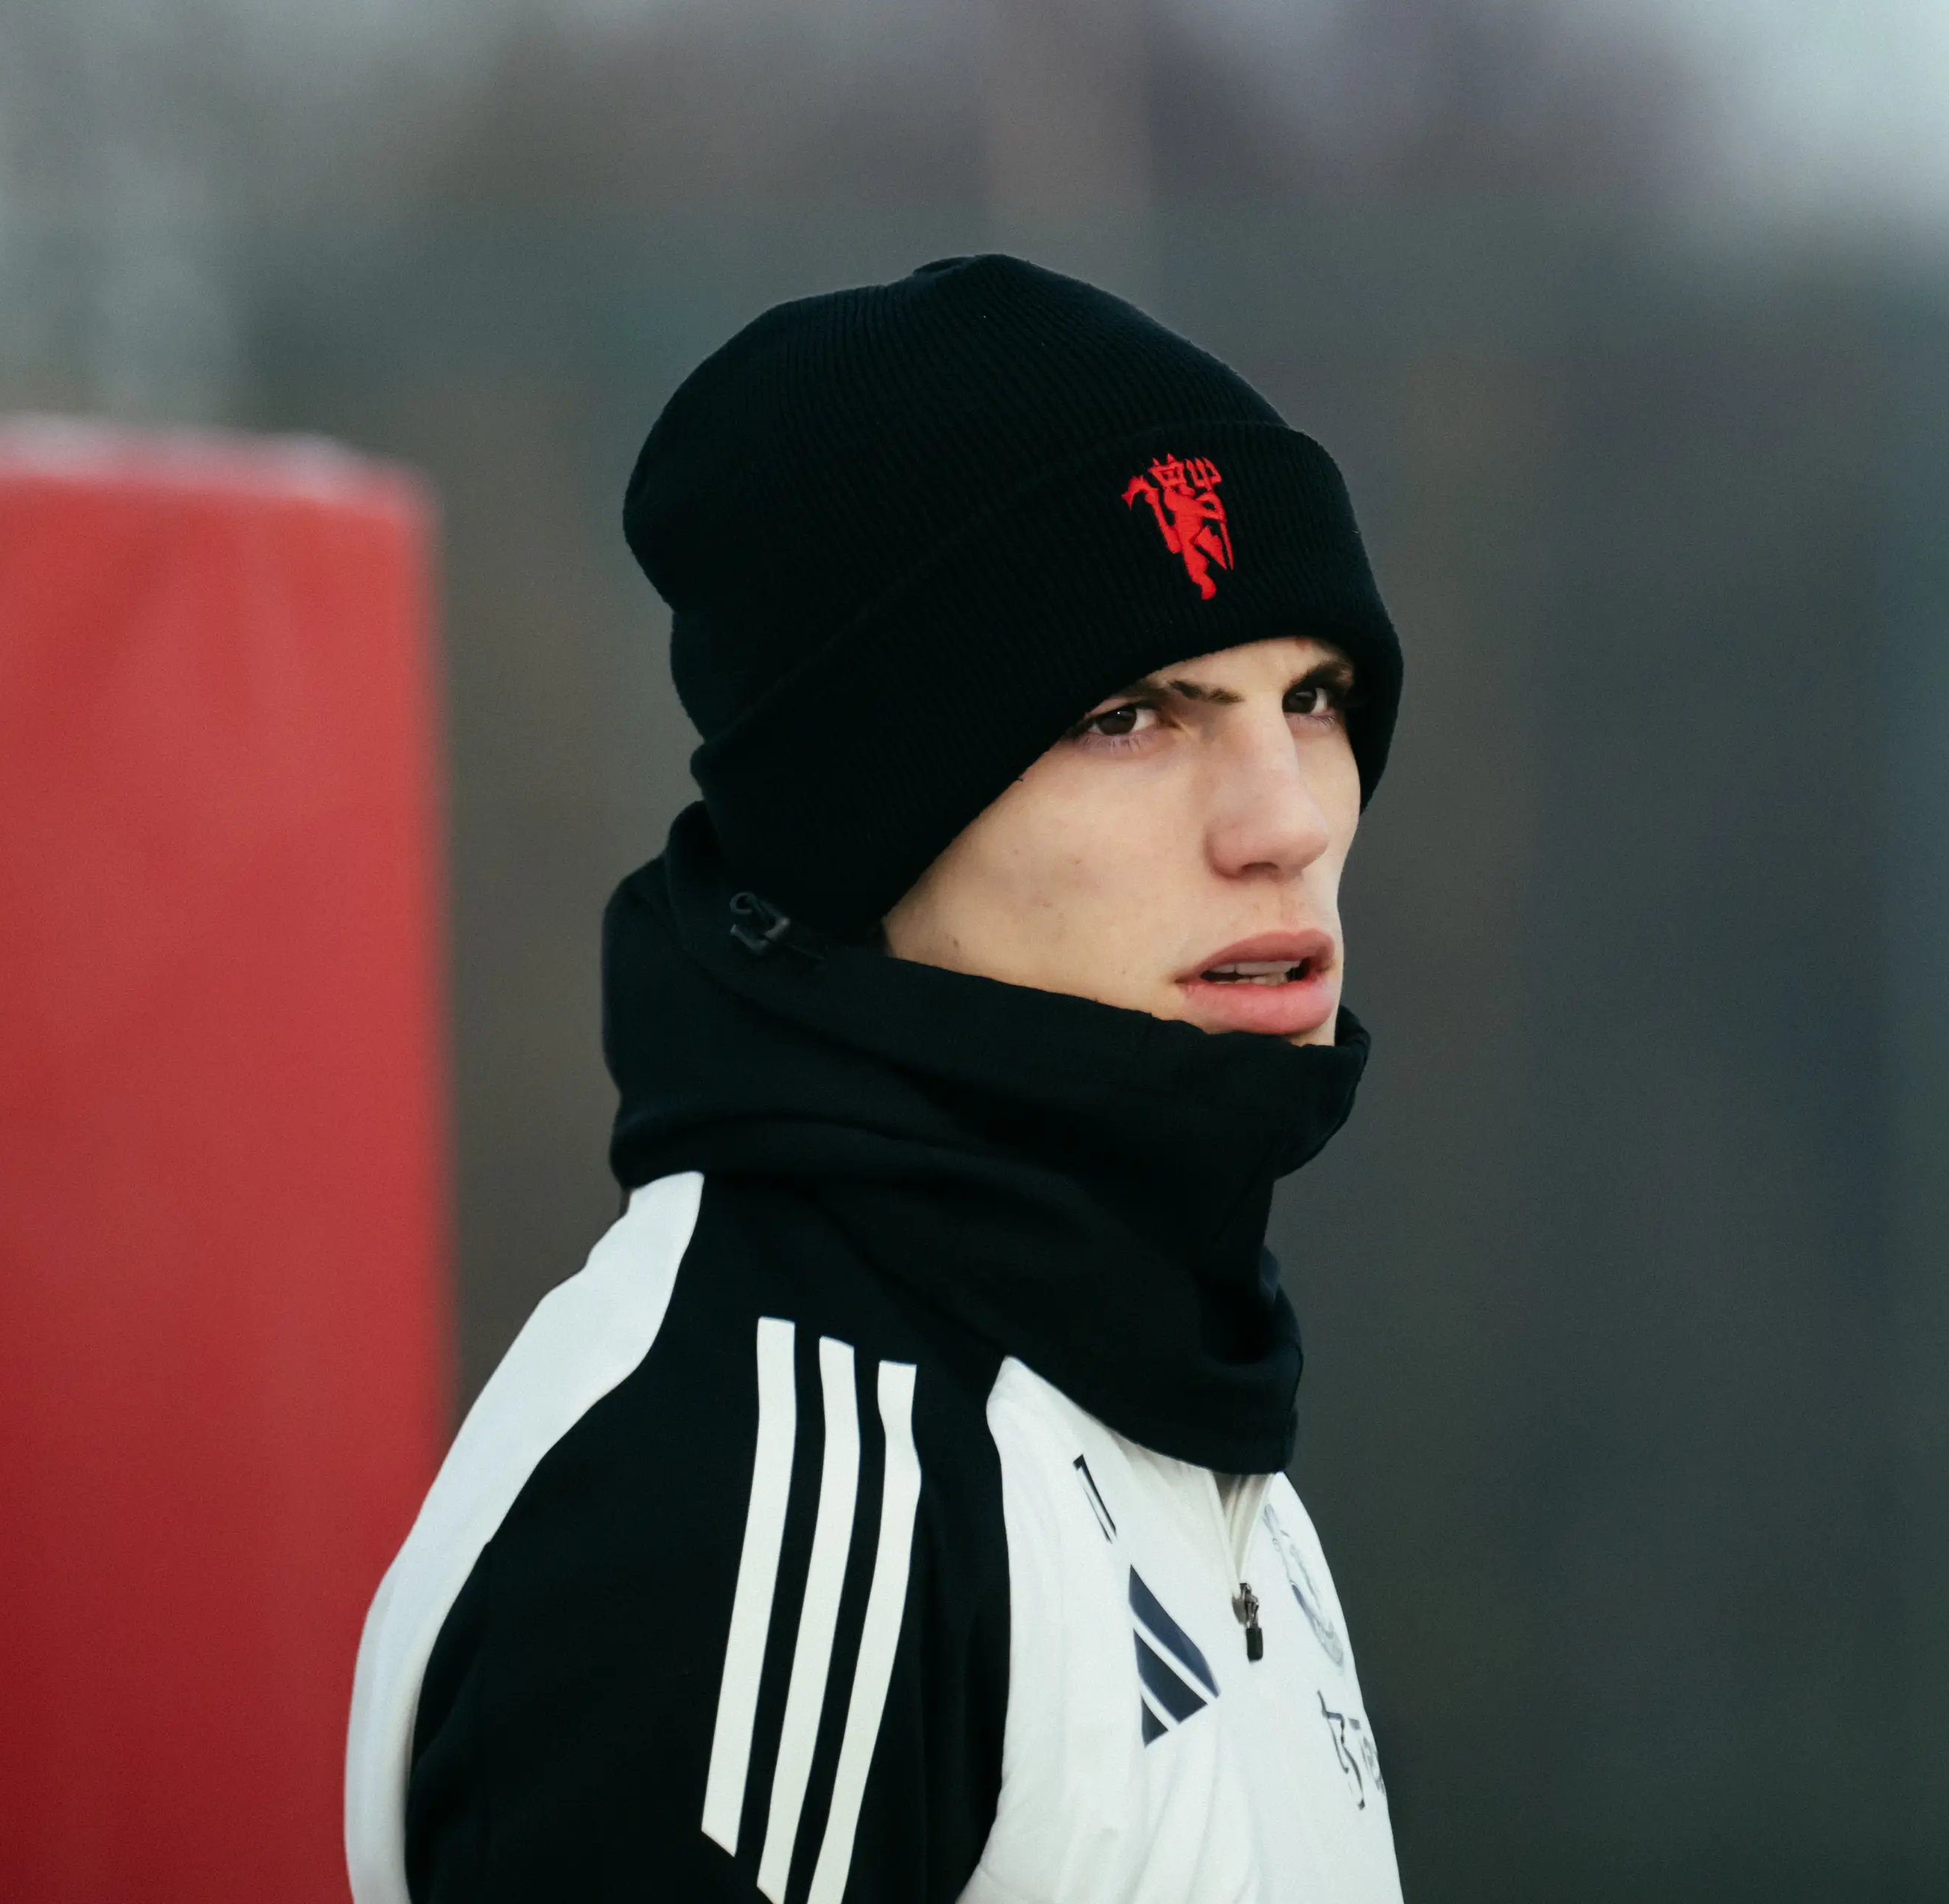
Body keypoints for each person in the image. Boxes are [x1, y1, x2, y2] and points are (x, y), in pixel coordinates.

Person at [347, 254, 1407, 1903]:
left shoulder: (1177, 1400)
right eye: (1133, 713)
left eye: (1313, 696)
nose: (1286, 816)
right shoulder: (745, 1503)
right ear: (869, 816)